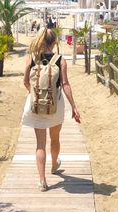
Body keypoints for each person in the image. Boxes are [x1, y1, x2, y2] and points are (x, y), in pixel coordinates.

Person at [22, 27, 81, 191]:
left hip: (35, 106)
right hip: (55, 106)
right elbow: (65, 84)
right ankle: (54, 164)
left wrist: (33, 94)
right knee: (55, 138)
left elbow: (25, 82)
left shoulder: (31, 58)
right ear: (55, 42)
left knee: (40, 144)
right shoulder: (60, 60)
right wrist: (74, 107)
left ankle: (42, 181)